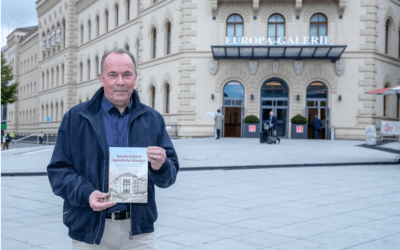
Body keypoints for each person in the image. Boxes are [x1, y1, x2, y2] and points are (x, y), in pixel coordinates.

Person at [47, 48, 179, 249]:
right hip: (90, 232)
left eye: (127, 74)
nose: (120, 81)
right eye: (113, 75)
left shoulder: (153, 119)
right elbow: (59, 171)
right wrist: (87, 193)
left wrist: (161, 166)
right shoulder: (75, 118)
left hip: (138, 232)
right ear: (101, 78)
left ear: (135, 77)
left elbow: (169, 176)